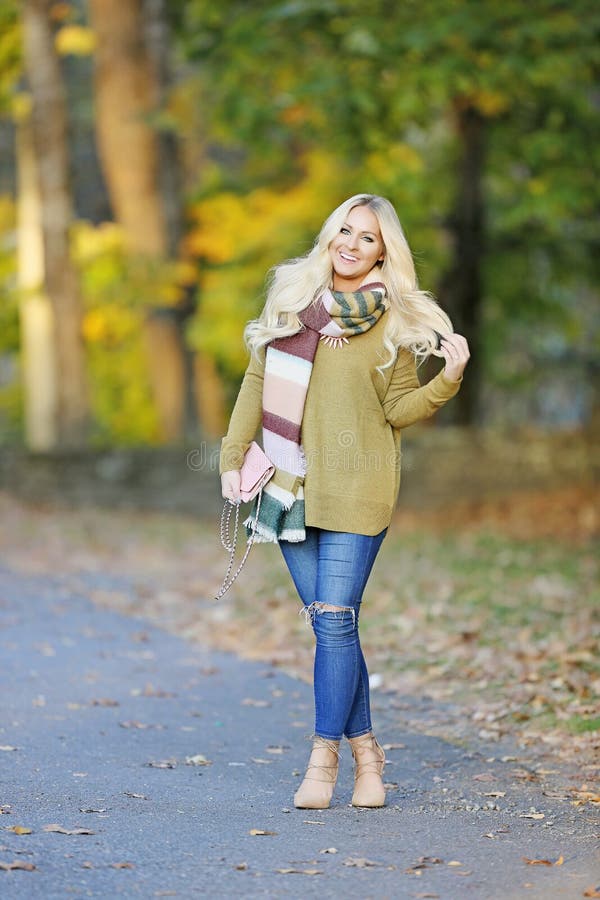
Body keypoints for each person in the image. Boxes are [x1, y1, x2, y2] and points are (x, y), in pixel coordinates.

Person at [219, 194, 470, 810]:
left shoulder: (396, 321)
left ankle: (321, 760)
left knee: (333, 621)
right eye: (345, 231)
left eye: (368, 238)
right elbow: (256, 380)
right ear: (331, 234)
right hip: (287, 485)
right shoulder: (291, 299)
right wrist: (232, 456)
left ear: (385, 252)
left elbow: (398, 409)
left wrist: (449, 378)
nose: (352, 245)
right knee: (335, 627)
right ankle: (368, 755)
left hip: (360, 488)